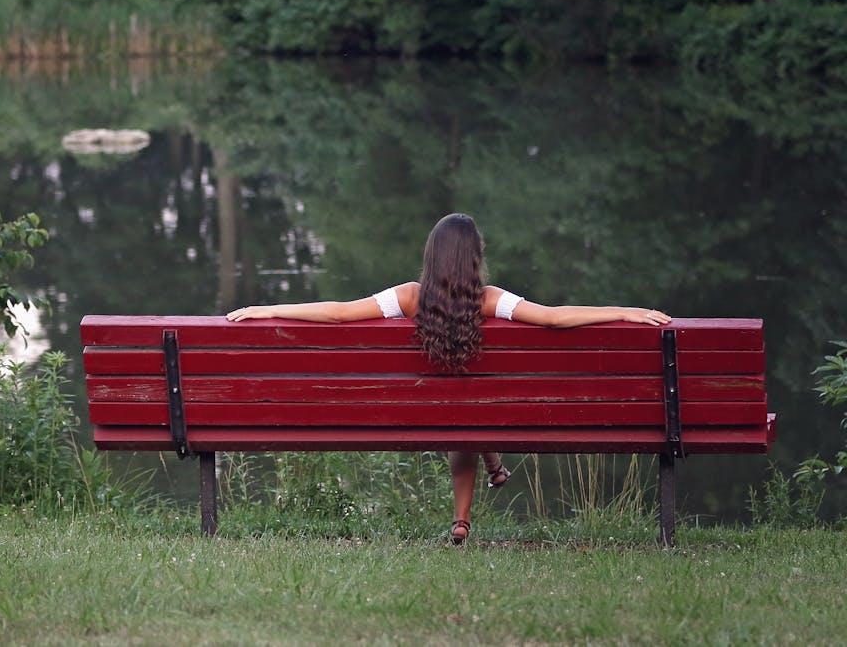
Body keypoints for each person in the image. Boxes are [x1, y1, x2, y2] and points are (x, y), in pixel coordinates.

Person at [226, 212, 670, 544]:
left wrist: (268, 308)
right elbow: (553, 319)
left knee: (459, 410)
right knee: (469, 410)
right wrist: (622, 312)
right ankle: (473, 498)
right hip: (478, 409)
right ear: (475, 257)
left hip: (424, 410)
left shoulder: (409, 297)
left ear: (431, 255)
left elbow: (339, 313)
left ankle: (471, 501)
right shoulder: (490, 300)